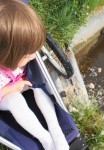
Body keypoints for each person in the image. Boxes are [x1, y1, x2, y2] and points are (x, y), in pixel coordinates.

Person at [0, 0, 69, 150]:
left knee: (39, 88)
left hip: (23, 81)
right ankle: (46, 139)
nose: (33, 57)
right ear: (8, 55)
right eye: (27, 55)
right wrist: (13, 88)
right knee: (15, 100)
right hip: (5, 94)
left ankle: (56, 130)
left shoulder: (20, 56)